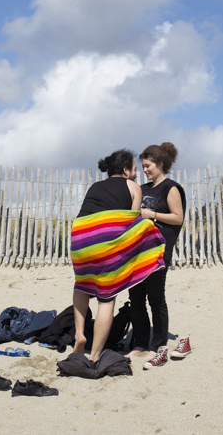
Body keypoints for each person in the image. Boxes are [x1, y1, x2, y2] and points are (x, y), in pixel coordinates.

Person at [70, 149, 165, 362]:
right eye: (134, 169)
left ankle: (79, 334)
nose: (136, 173)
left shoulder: (95, 187)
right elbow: (129, 221)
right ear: (125, 169)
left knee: (81, 286)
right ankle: (94, 356)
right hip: (104, 238)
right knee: (106, 299)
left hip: (79, 237)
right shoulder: (132, 186)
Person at [128, 141, 191, 368]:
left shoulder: (171, 188)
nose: (144, 170)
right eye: (143, 166)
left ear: (160, 164)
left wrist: (151, 213)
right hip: (137, 251)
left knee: (155, 298)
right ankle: (140, 343)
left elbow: (177, 217)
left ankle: (158, 345)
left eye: (148, 165)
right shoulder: (143, 189)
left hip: (158, 250)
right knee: (135, 298)